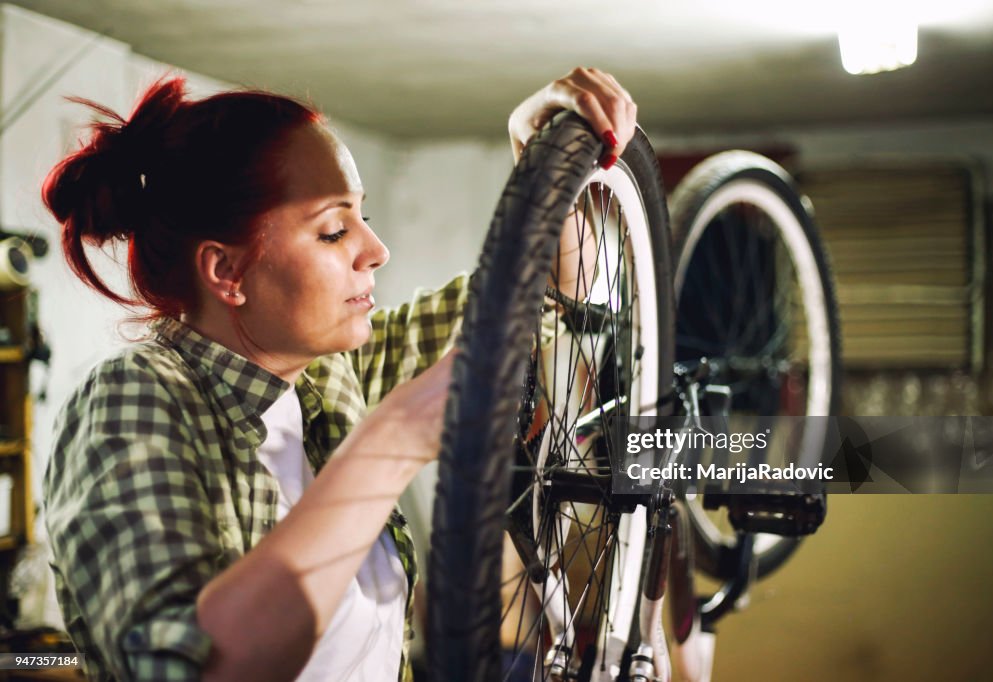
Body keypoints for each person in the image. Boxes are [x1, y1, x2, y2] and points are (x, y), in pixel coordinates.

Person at [40, 67, 636, 682]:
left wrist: (542, 163)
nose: (375, 249)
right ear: (226, 272)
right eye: (333, 230)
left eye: (364, 216)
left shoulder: (330, 379)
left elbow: (554, 289)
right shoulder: (131, 401)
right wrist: (394, 440)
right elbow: (188, 667)